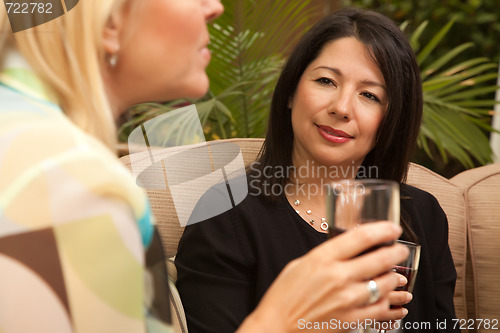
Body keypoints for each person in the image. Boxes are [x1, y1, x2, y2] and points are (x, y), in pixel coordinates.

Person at [0, 2, 409, 333]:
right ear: (109, 21)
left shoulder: (38, 144)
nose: (215, 8)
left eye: (371, 95)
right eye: (325, 81)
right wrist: (284, 318)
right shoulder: (79, 184)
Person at [175, 7, 458, 333]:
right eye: (326, 81)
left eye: (369, 95)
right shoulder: (225, 214)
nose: (341, 107)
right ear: (291, 92)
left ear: (390, 121)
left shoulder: (423, 216)